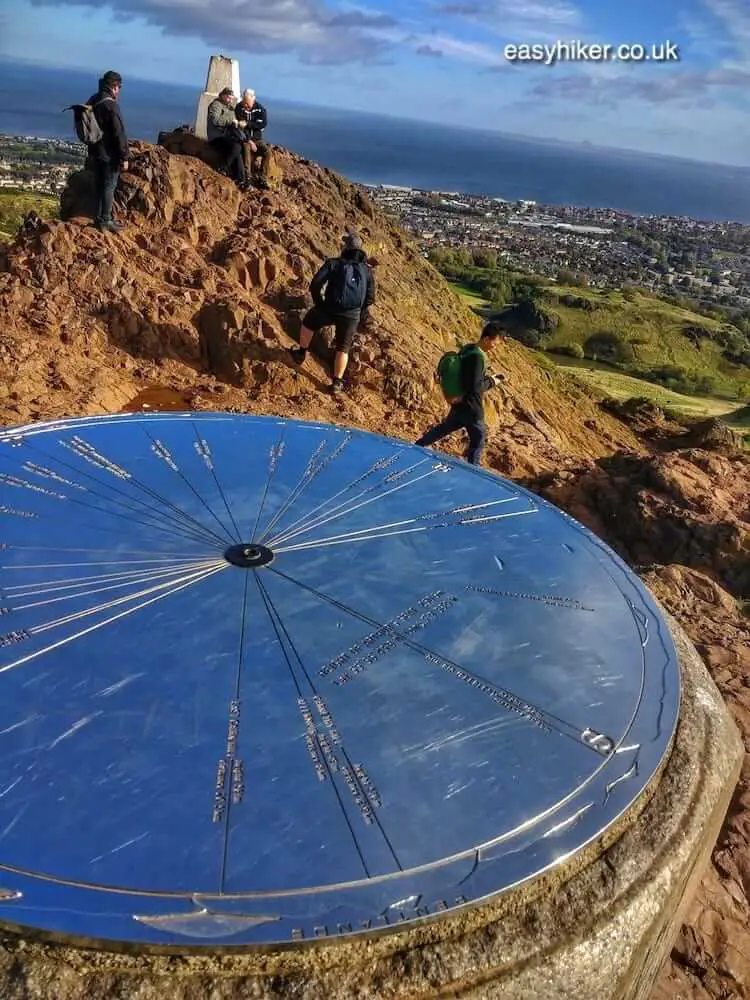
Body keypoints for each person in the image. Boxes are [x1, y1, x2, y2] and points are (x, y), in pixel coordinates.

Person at [415, 314, 518, 465]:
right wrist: (494, 381)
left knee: (444, 429)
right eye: (497, 341)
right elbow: (475, 386)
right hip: (471, 406)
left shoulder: (468, 349)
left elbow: (469, 377)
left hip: (460, 403)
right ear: (487, 339)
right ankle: (473, 469)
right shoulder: (478, 357)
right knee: (479, 439)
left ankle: (416, 447)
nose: (497, 345)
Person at [289, 233, 375, 395]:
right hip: (351, 315)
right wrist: (357, 311)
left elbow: (315, 284)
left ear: (346, 248)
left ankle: (300, 353)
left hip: (329, 308)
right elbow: (370, 297)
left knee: (309, 321)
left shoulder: (334, 264)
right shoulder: (366, 271)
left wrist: (320, 303)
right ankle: (337, 383)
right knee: (343, 347)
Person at [86, 70, 129, 232]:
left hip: (94, 151)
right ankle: (105, 219)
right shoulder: (111, 105)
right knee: (109, 186)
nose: (119, 91)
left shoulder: (94, 99)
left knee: (99, 184)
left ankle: (98, 217)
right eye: (118, 87)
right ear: (114, 87)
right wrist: (124, 156)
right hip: (109, 154)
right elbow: (119, 133)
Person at [207, 87, 248, 189]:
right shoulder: (216, 105)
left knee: (238, 149)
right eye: (228, 97)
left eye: (231, 98)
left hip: (226, 136)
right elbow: (215, 121)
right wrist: (230, 121)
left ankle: (240, 179)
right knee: (236, 147)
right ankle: (221, 168)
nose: (230, 100)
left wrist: (239, 124)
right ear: (223, 95)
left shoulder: (229, 108)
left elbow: (233, 121)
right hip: (216, 137)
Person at [234, 89, 272, 190]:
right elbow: (241, 128)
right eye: (244, 101)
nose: (245, 105)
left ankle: (262, 178)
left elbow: (262, 124)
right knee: (246, 152)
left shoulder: (260, 109)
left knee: (267, 152)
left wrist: (248, 124)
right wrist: (249, 140)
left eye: (247, 102)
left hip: (257, 140)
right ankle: (247, 178)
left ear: (253, 99)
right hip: (245, 139)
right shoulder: (239, 108)